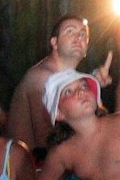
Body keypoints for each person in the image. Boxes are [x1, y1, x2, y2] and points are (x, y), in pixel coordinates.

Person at [6, 13, 93, 152]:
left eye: (83, 34)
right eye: (70, 31)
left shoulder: (76, 81)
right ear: (54, 43)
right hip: (35, 165)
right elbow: (45, 139)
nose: (78, 38)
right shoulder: (41, 78)